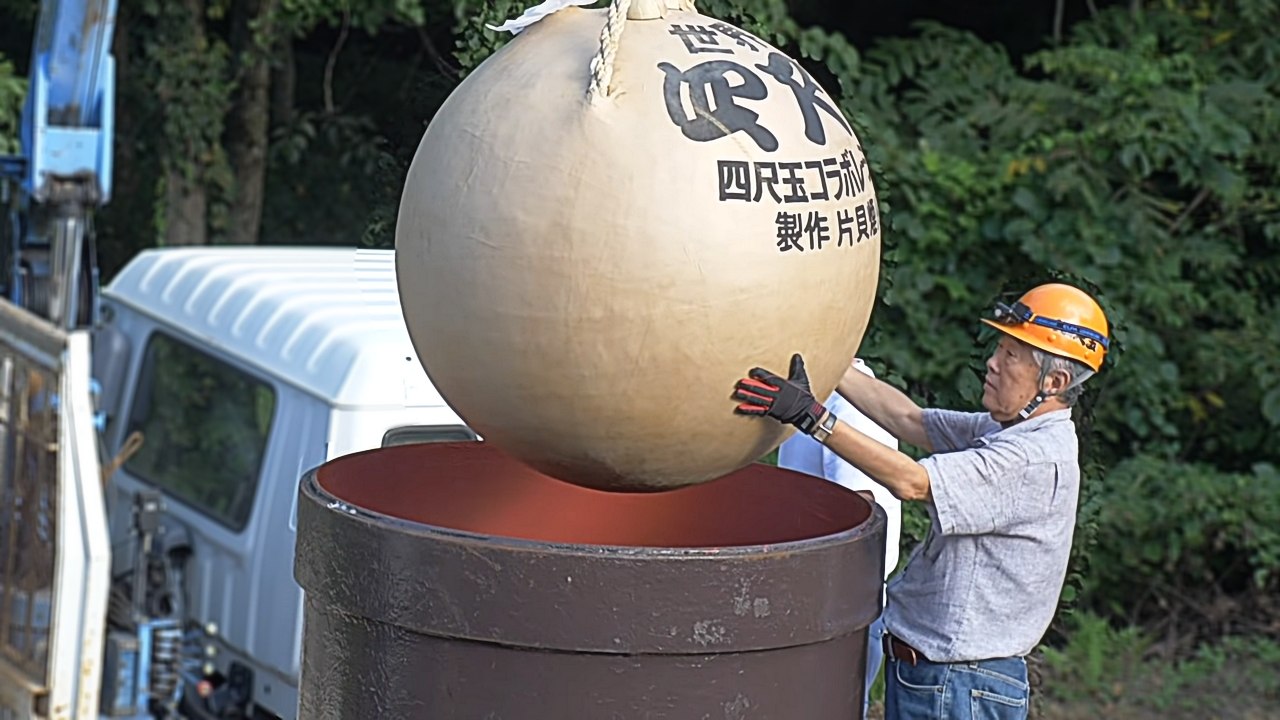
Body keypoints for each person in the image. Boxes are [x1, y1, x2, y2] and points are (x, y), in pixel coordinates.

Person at [731, 283, 1109, 720]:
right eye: (999, 348)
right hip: (948, 680)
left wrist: (811, 418)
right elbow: (909, 419)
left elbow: (912, 482)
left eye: (1010, 356)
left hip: (959, 685)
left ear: (1055, 382)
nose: (992, 362)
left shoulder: (1028, 459)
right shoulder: (1009, 430)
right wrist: (829, 365)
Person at [775, 358, 901, 718]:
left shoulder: (847, 403)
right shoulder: (815, 393)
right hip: (819, 608)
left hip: (837, 613)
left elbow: (858, 516)